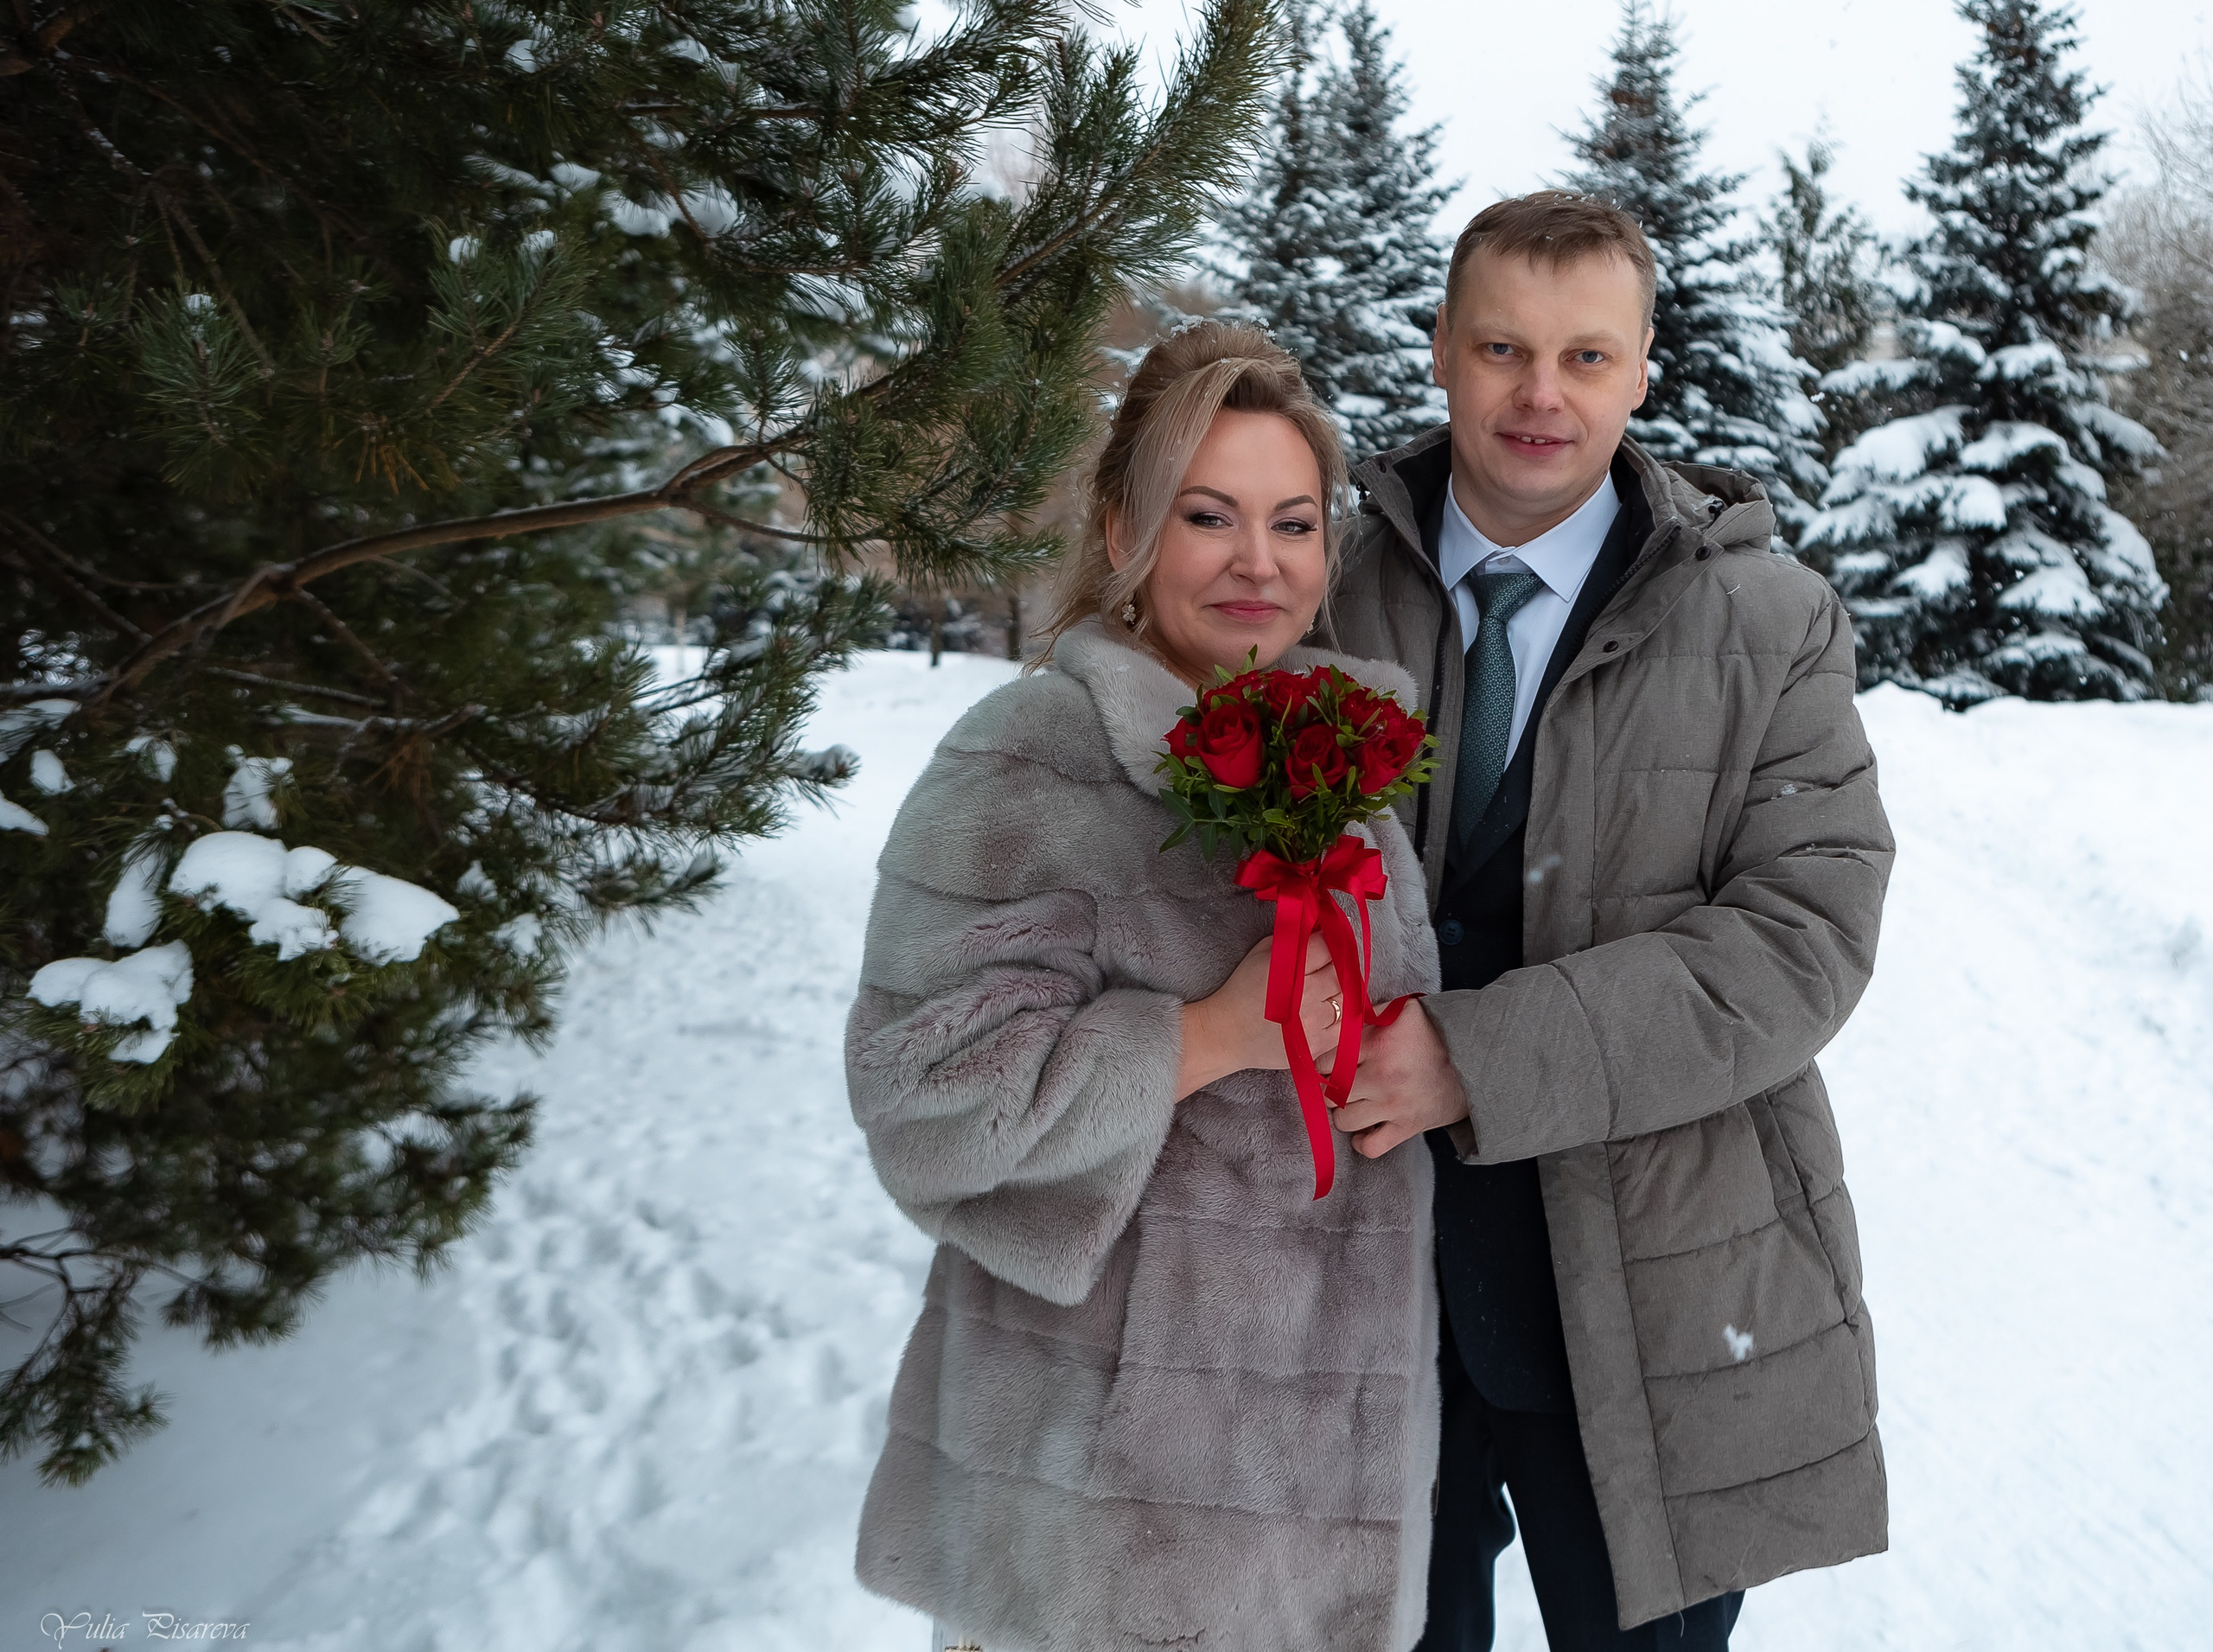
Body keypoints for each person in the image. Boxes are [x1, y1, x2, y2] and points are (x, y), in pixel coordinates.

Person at [1320, 191, 1897, 1650]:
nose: (1541, 394)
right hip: (1357, 1295)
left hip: (1655, 1297)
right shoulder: (1315, 591)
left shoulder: (1770, 621)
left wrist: (1476, 1059)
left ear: (1643, 368)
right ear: (1441, 350)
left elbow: (1804, 940)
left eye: (1586, 355)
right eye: (1502, 348)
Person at [844, 321, 1448, 1652]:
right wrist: (1204, 1036)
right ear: (1124, 528)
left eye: (1294, 524)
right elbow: (923, 1102)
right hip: (1098, 1523)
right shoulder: (1032, 759)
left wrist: (1414, 1069)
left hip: (1312, 1509)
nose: (1258, 562)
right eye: (1208, 515)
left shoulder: (1343, 763)